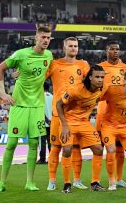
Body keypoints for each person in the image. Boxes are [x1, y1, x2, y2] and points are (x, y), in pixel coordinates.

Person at [0, 27, 53, 192]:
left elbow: (44, 73)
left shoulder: (49, 56)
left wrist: (23, 73)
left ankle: (29, 182)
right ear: (36, 38)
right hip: (19, 104)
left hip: (37, 106)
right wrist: (2, 93)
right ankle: (2, 183)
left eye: (48, 38)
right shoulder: (21, 54)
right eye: (43, 37)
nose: (46, 40)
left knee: (34, 143)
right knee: (11, 143)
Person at [46, 37, 90, 191]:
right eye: (70, 46)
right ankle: (52, 180)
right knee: (56, 147)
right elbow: (38, 78)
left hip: (76, 115)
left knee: (76, 148)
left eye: (76, 46)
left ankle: (77, 179)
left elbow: (89, 85)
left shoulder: (84, 65)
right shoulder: (54, 64)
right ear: (64, 48)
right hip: (58, 114)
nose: (73, 48)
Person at [56, 65, 107, 193]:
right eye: (97, 77)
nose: (100, 80)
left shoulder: (102, 89)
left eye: (102, 77)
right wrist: (65, 125)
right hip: (69, 121)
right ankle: (67, 184)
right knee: (67, 150)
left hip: (84, 122)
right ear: (90, 77)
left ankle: (95, 182)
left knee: (98, 149)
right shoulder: (76, 89)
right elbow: (58, 104)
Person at [97, 40, 126, 187]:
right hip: (103, 110)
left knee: (119, 147)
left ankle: (119, 178)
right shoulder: (100, 67)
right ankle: (96, 179)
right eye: (112, 49)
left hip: (120, 113)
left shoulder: (125, 68)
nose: (115, 51)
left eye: (117, 49)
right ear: (106, 51)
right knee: (99, 147)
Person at [37, 81, 53, 164]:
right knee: (51, 141)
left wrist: (46, 120)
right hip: (52, 123)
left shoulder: (40, 97)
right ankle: (52, 159)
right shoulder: (52, 96)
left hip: (43, 122)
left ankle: (42, 159)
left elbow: (40, 110)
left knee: (42, 141)